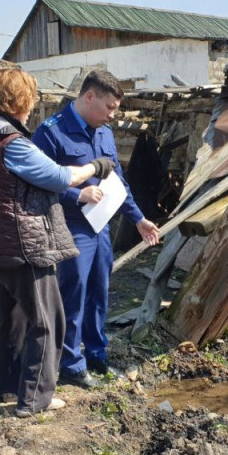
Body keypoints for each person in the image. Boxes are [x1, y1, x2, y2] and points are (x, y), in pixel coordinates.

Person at [0, 67, 116, 417]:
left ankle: (11, 387)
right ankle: (35, 401)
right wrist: (94, 167)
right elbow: (59, 176)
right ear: (18, 101)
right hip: (21, 240)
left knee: (11, 316)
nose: (31, 109)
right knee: (48, 319)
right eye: (29, 101)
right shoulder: (10, 143)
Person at [33, 69, 160, 389]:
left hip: (101, 225)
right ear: (89, 96)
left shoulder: (103, 132)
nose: (113, 116)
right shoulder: (51, 133)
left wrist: (138, 218)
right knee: (72, 295)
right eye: (110, 107)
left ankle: (96, 354)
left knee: (99, 293)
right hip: (69, 226)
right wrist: (77, 194)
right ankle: (70, 364)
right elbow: (36, 182)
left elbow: (116, 182)